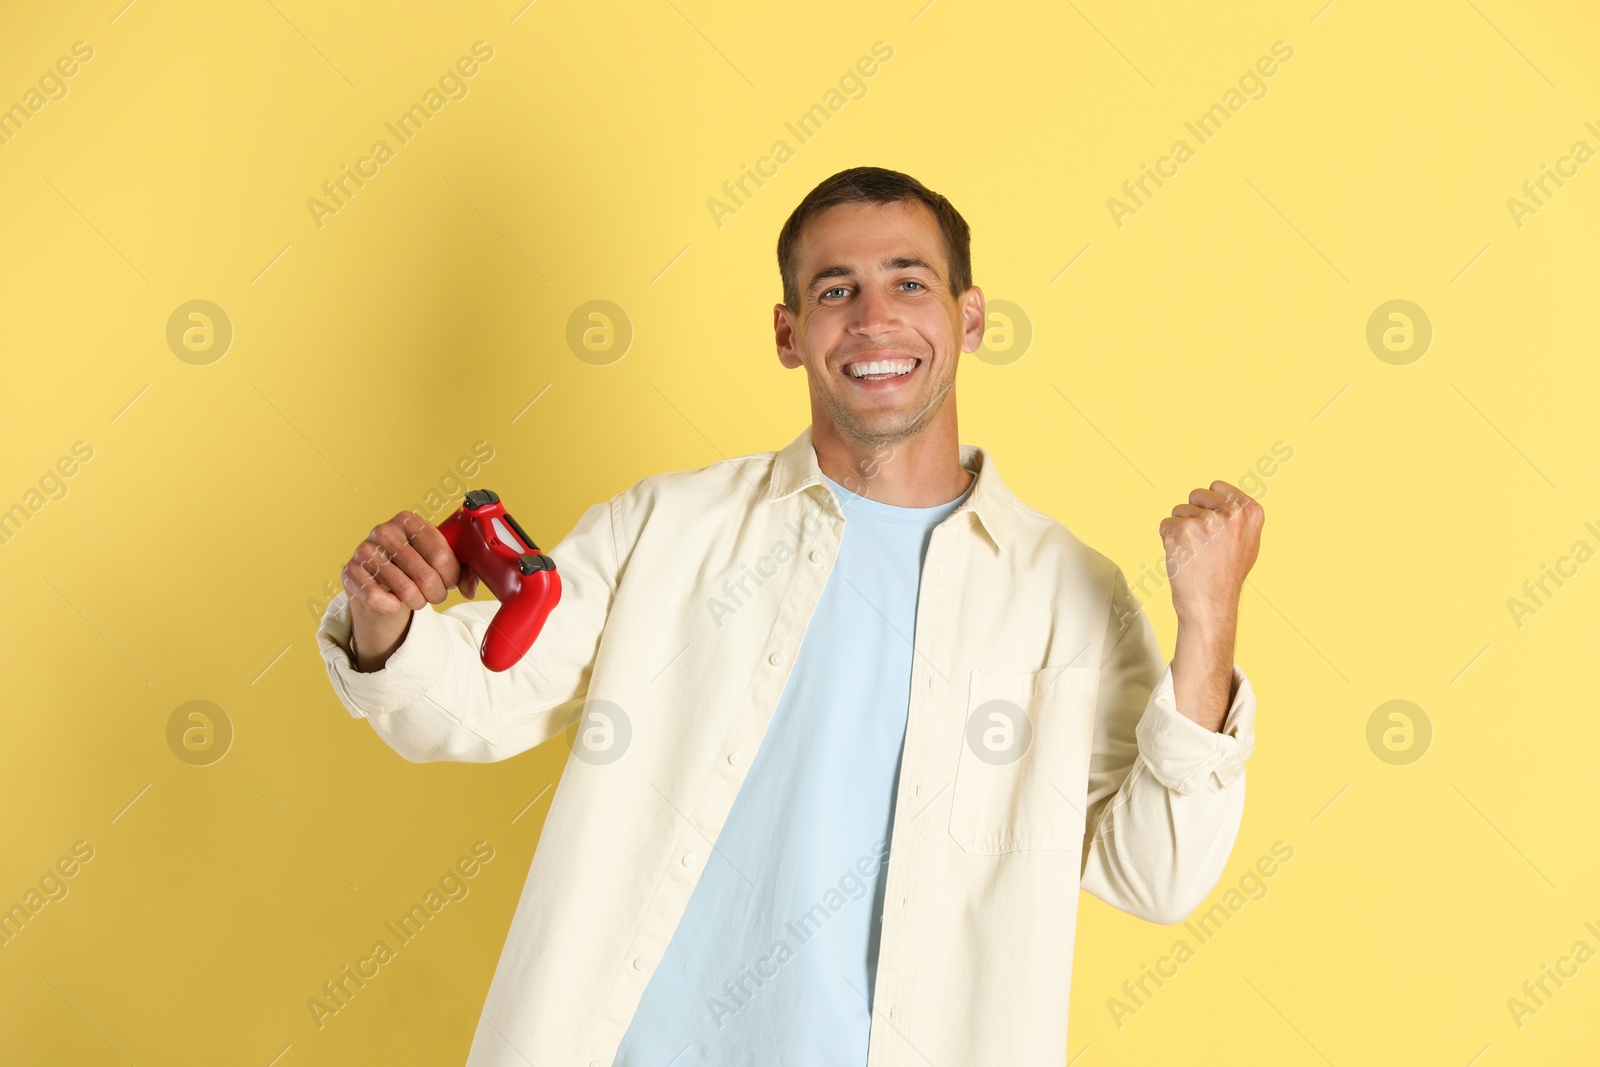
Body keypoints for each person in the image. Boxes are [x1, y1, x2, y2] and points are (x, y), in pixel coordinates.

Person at [316, 166, 1265, 1066]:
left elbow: (1159, 873)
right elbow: (474, 705)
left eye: (909, 283)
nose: (875, 320)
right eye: (836, 290)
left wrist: (1209, 622)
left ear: (969, 318)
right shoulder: (670, 529)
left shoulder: (1067, 596)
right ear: (787, 330)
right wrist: (388, 622)